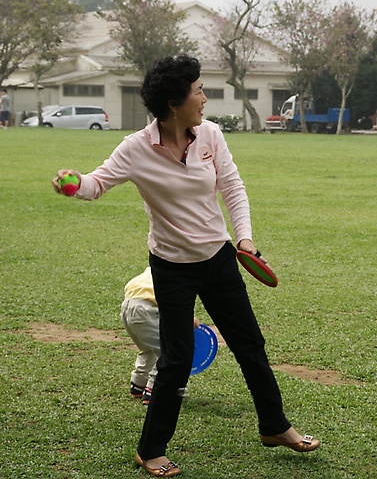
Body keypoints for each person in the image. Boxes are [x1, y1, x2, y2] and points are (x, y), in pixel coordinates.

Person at [52, 55, 319, 478]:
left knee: (250, 344)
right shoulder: (136, 149)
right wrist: (73, 182)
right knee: (176, 360)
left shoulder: (210, 135)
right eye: (198, 91)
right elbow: (97, 183)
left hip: (218, 258)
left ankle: (275, 426)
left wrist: (244, 238)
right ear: (175, 103)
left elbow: (232, 186)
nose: (205, 98)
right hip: (171, 266)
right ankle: (150, 449)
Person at [121, 266, 200, 406]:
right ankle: (155, 390)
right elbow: (176, 298)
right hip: (146, 310)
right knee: (168, 350)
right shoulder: (181, 274)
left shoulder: (156, 267)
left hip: (129, 305)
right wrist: (187, 317)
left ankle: (138, 384)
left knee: (148, 349)